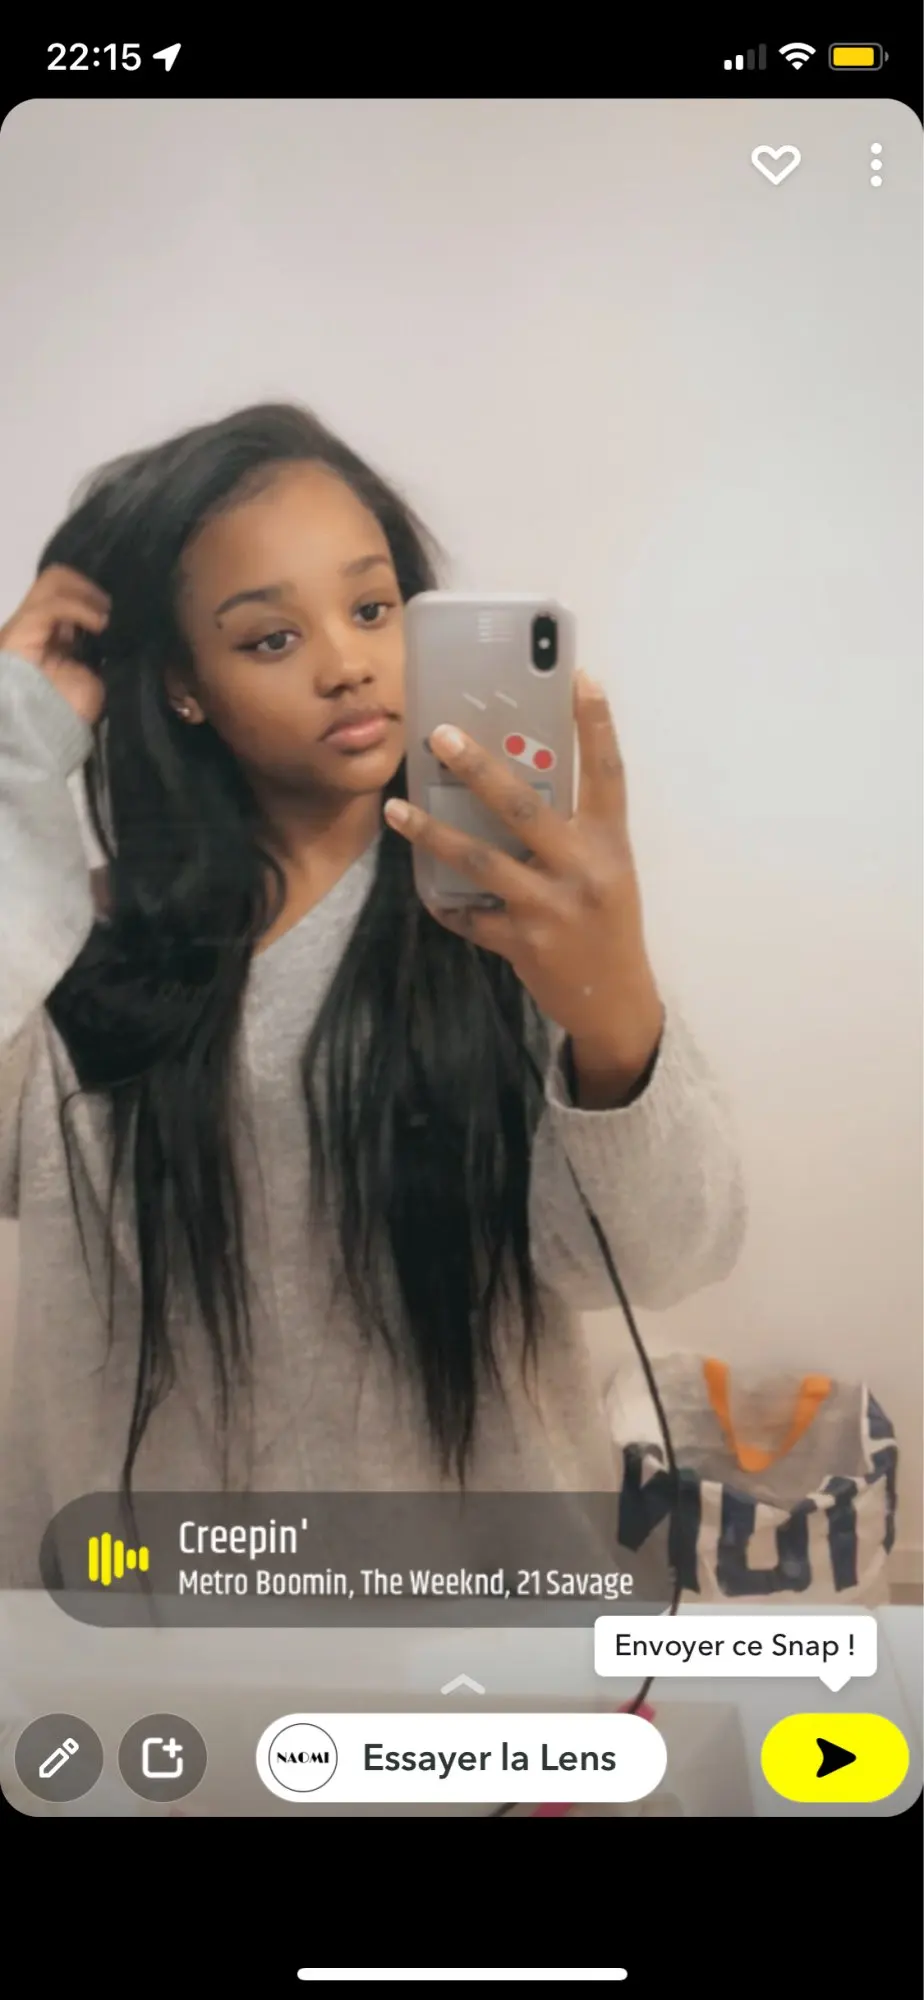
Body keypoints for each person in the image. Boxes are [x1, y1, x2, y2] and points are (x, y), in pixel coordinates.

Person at [0, 402, 746, 1588]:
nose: (347, 662)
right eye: (269, 637)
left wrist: (613, 1003)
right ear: (185, 685)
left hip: (476, 1622)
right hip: (152, 1620)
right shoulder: (69, 957)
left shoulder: (512, 921)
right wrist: (14, 750)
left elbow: (671, 1253)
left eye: (371, 607)